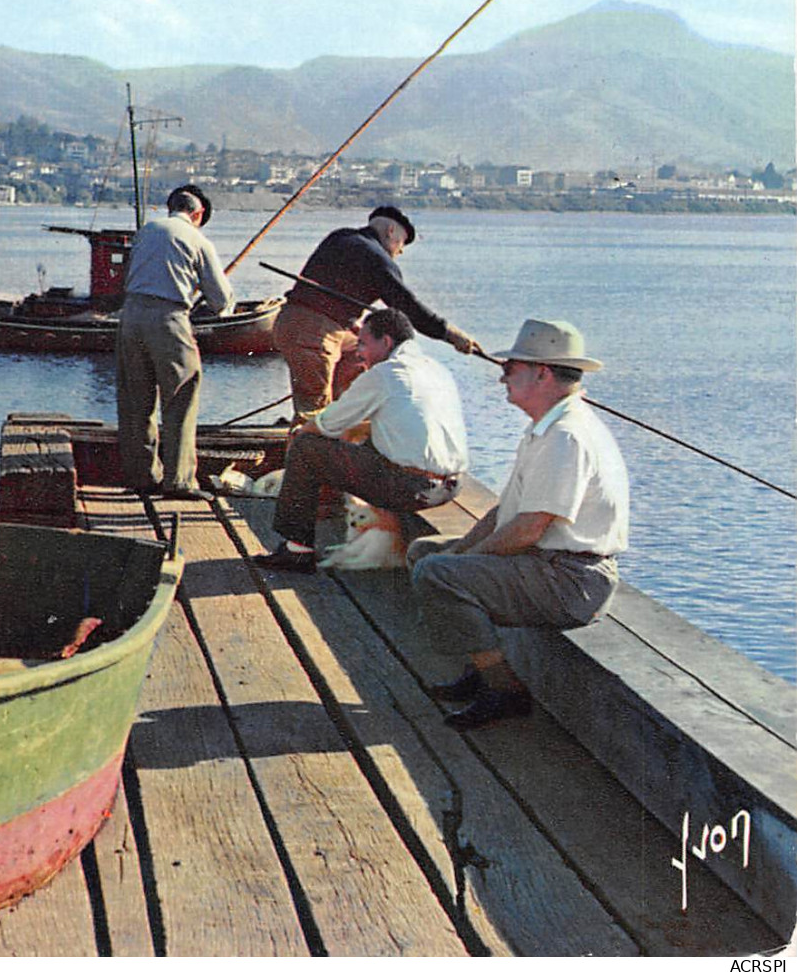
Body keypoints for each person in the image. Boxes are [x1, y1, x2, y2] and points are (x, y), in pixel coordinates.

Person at [410, 318, 629, 731]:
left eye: (510, 367)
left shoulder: (566, 435)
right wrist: (459, 554)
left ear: (542, 373)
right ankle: (480, 665)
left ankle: (505, 691)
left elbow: (529, 528)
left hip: (573, 581)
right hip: (549, 565)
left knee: (439, 573)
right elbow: (503, 513)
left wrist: (462, 564)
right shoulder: (545, 429)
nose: (501, 375)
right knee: (427, 553)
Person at [255, 307, 469, 572]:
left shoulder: (385, 374)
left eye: (364, 344)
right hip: (451, 485)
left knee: (305, 447)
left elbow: (326, 425)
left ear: (386, 342)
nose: (359, 352)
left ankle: (297, 550)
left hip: (413, 488)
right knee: (365, 439)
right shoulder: (436, 369)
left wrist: (302, 430)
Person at [272, 205, 479, 421]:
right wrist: (450, 334)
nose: (401, 251)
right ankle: (310, 442)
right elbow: (409, 309)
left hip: (291, 322)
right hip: (312, 333)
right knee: (313, 410)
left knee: (359, 354)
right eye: (402, 242)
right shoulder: (378, 259)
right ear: (391, 230)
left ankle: (347, 420)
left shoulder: (340, 237)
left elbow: (333, 287)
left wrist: (349, 320)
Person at [116, 184, 234, 501]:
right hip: (168, 319)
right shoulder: (198, 239)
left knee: (135, 400)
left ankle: (141, 476)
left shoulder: (146, 230)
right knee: (181, 395)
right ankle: (179, 482)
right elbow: (221, 299)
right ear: (197, 214)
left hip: (130, 317)